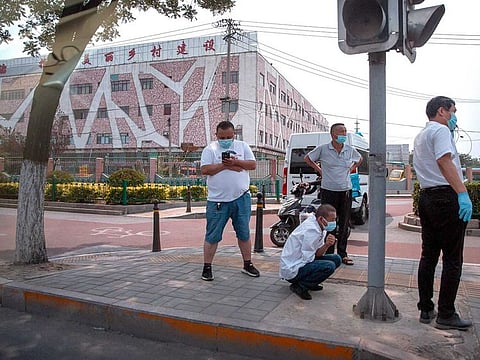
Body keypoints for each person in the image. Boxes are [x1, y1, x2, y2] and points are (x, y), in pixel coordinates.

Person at [413, 96, 472, 330]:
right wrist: (462, 193)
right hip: (446, 198)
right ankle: (446, 314)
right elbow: (444, 161)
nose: (454, 116)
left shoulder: (421, 135)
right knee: (452, 258)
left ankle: (426, 309)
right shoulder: (440, 131)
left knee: (428, 255)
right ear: (441, 111)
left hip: (427, 197)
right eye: (453, 111)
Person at [200, 120, 260, 281]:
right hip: (217, 201)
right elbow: (205, 169)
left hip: (242, 198)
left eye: (228, 137)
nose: (225, 140)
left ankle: (248, 264)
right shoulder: (210, 149)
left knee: (244, 233)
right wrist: (226, 166)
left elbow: (252, 164)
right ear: (216, 135)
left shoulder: (243, 146)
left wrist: (236, 162)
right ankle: (207, 267)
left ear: (234, 135)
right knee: (212, 235)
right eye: (222, 137)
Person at [304, 123, 362, 266]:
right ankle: (328, 252)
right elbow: (308, 158)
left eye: (345, 131)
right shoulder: (323, 149)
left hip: (345, 190)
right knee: (328, 223)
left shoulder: (349, 149)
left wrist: (352, 168)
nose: (344, 134)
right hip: (328, 190)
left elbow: (360, 159)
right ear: (333, 134)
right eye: (341, 132)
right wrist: (319, 170)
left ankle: (342, 254)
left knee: (343, 223)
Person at [279, 204, 341, 300]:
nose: (334, 222)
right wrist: (325, 246)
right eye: (332, 220)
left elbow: (317, 253)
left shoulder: (320, 226)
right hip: (293, 268)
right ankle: (301, 286)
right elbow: (309, 258)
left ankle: (311, 282)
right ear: (321, 219)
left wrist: (327, 245)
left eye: (334, 219)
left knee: (336, 259)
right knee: (329, 266)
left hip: (303, 261)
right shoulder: (311, 231)